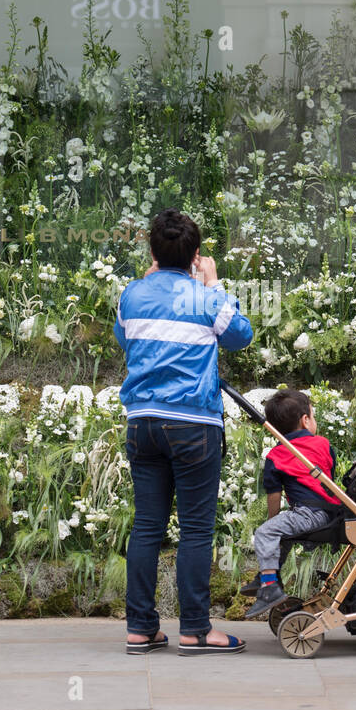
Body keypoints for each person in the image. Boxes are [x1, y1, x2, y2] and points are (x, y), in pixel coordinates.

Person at [115, 208, 254, 655]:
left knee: (147, 526)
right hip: (194, 425)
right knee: (195, 529)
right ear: (196, 256)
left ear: (152, 252)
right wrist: (213, 284)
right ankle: (194, 630)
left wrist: (147, 281)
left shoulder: (131, 296)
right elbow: (241, 336)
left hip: (142, 424)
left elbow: (126, 340)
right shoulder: (206, 298)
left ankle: (141, 628)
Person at [243, 389, 343, 619]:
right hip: (329, 512)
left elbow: (274, 497)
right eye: (313, 416)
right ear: (305, 420)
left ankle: (269, 586)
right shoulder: (324, 444)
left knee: (266, 532)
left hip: (308, 513)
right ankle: (270, 576)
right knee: (282, 535)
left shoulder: (276, 455)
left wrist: (272, 520)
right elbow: (329, 478)